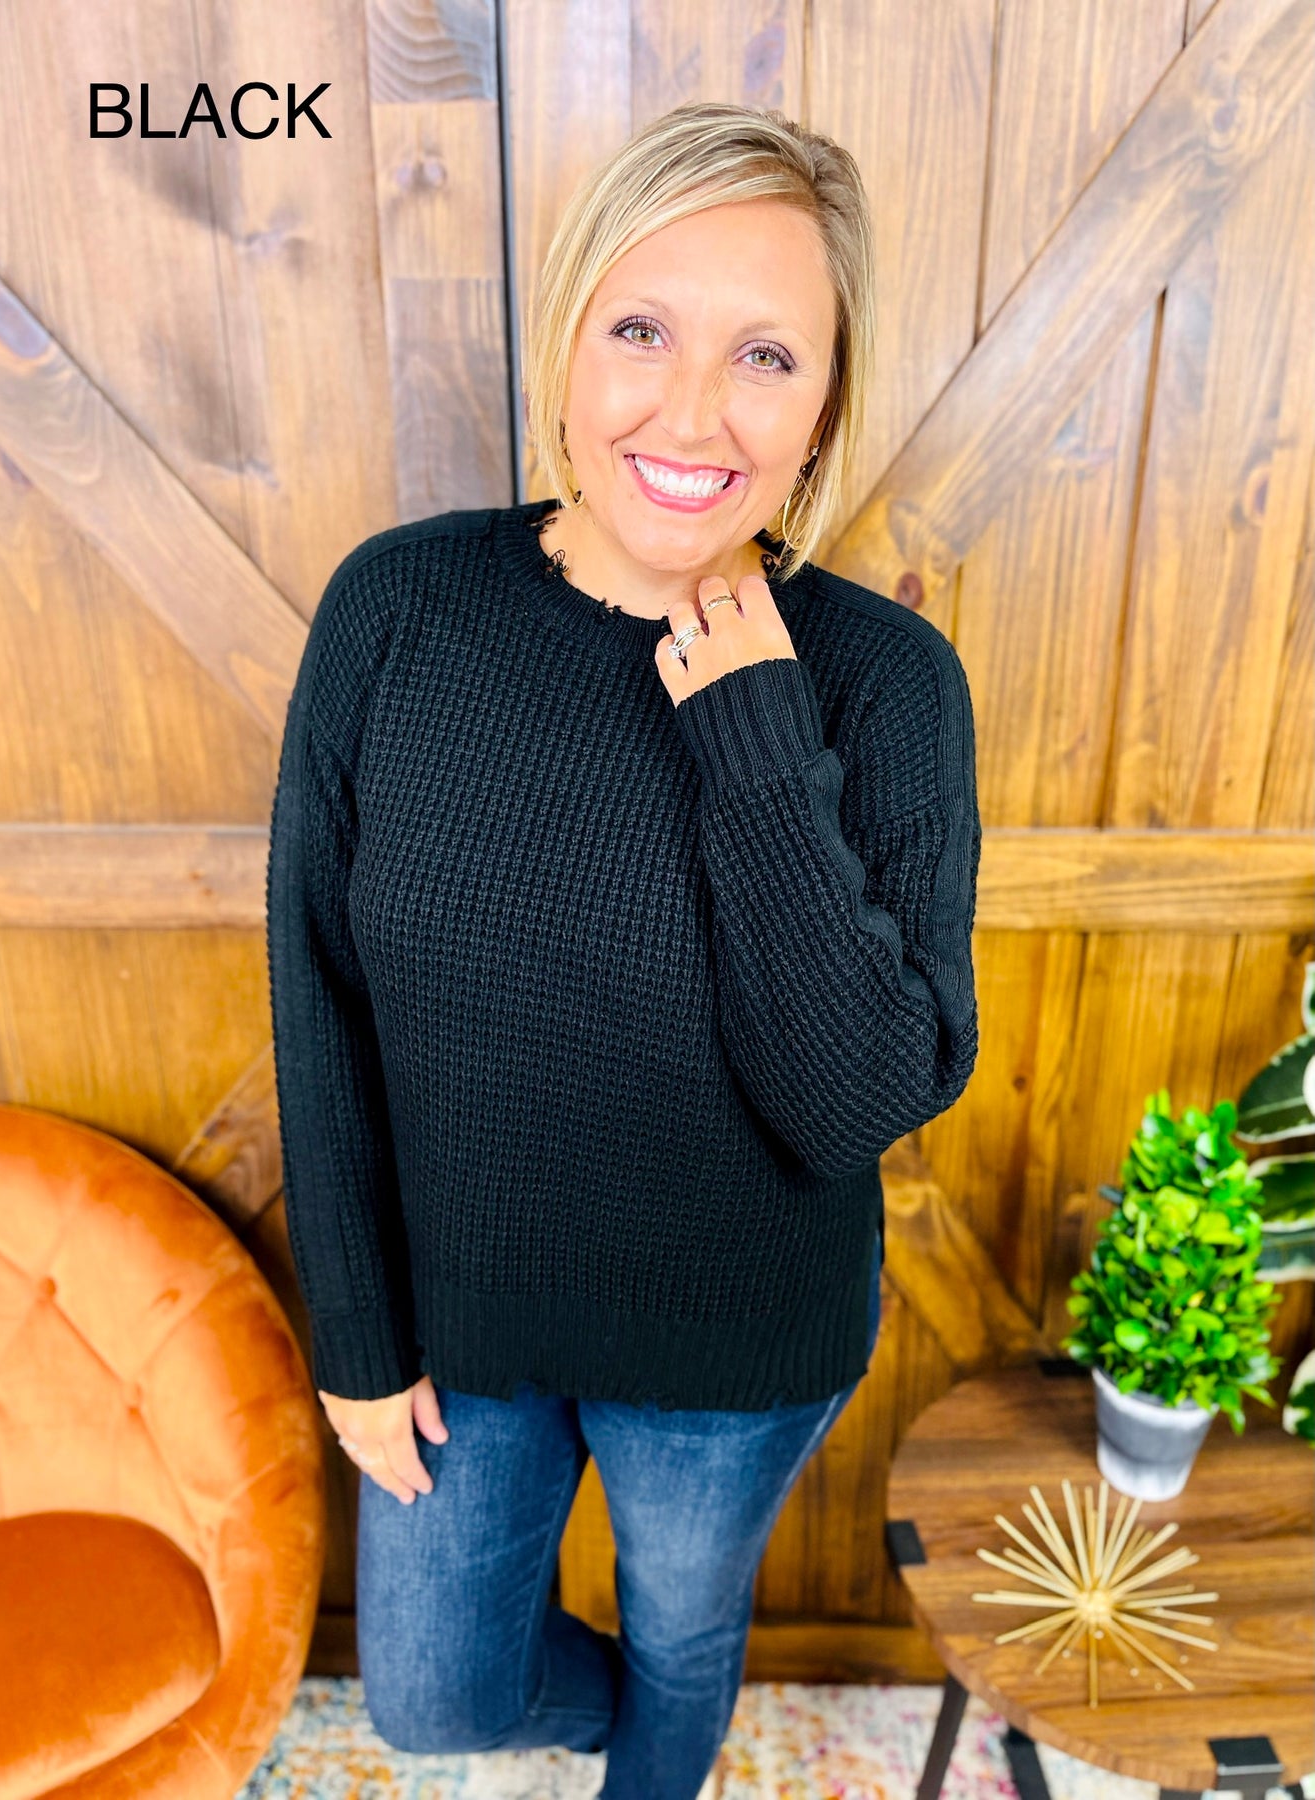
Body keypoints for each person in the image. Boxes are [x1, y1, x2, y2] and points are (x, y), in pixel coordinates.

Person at [265, 99, 981, 1798]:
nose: (692, 409)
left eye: (764, 356)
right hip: (459, 1324)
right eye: (642, 330)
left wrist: (750, 729)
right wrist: (352, 1333)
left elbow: (852, 1099)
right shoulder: (398, 609)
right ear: (568, 345)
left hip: (730, 1350)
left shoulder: (885, 685)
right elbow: (317, 984)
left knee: (680, 1641)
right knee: (430, 1698)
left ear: (824, 405)